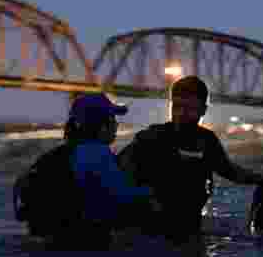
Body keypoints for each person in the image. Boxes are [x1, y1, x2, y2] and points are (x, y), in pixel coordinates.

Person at [117, 76, 263, 239]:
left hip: (190, 224)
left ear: (203, 110)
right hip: (152, 227)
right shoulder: (151, 138)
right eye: (176, 107)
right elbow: (120, 173)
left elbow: (230, 171)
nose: (181, 114)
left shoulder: (206, 140)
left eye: (190, 108)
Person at [12, 93, 159, 248]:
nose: (116, 126)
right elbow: (122, 195)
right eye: (113, 120)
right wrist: (152, 192)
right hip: (82, 239)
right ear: (102, 125)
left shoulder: (60, 153)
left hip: (47, 235)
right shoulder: (96, 152)